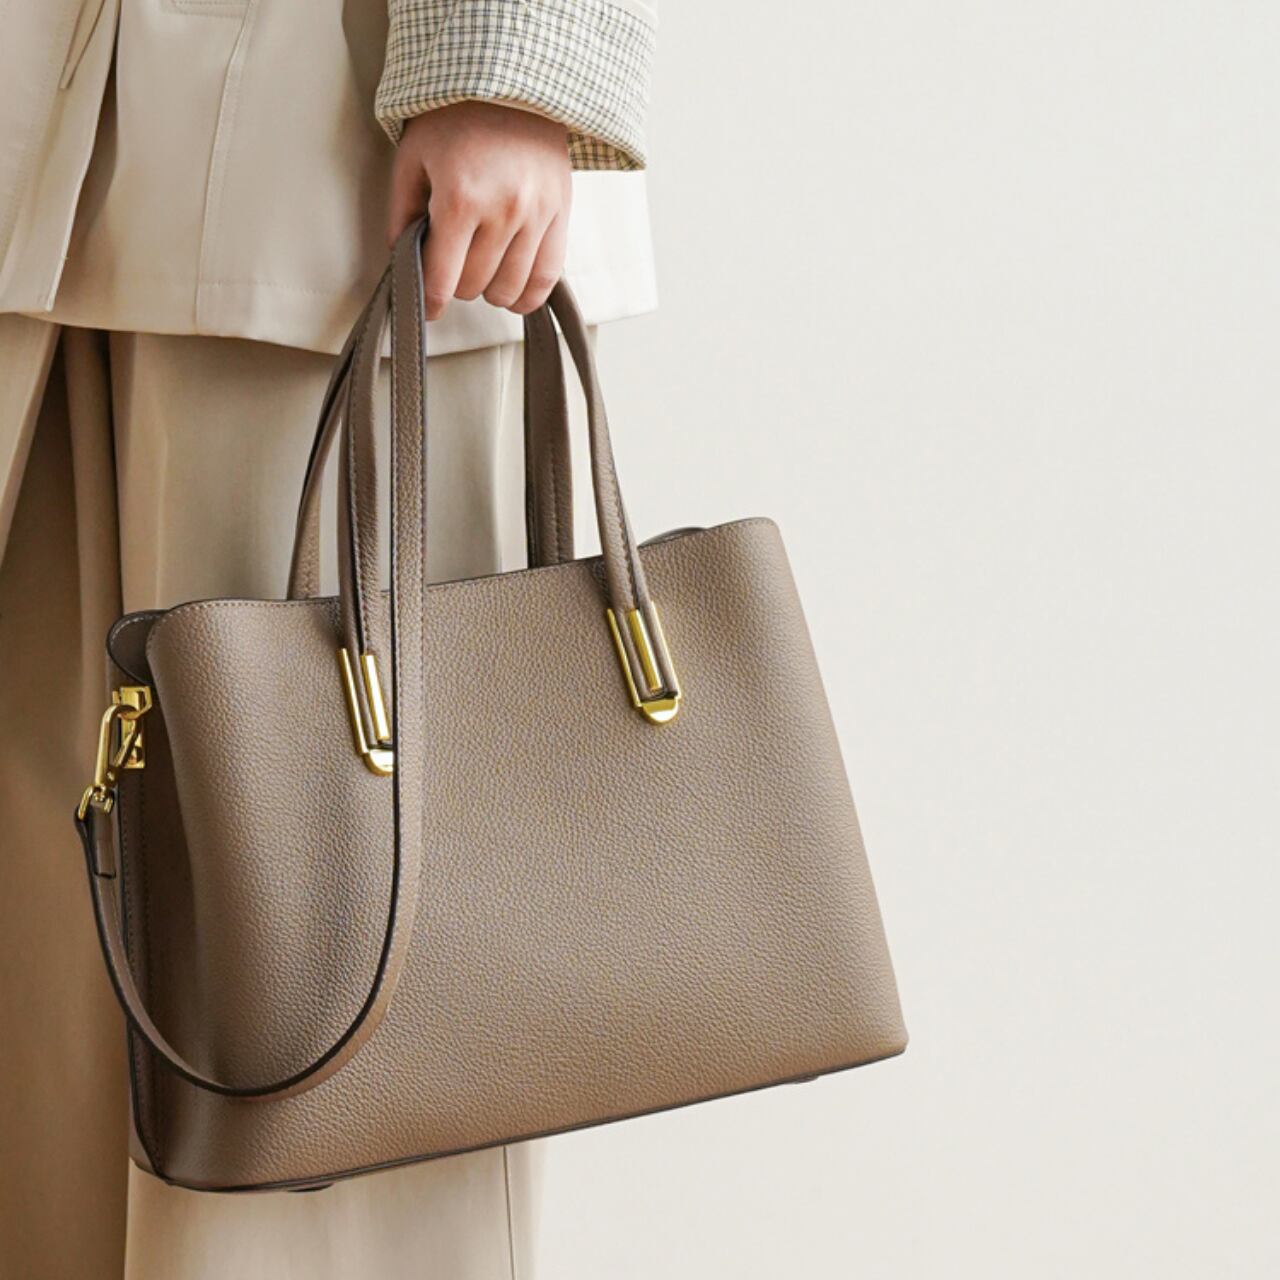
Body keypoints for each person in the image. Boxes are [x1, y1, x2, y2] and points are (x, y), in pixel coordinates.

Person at [0, 2, 657, 1277]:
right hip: (46, 154)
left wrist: (507, 66)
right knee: (52, 1004)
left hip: (330, 161)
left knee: (325, 1002)